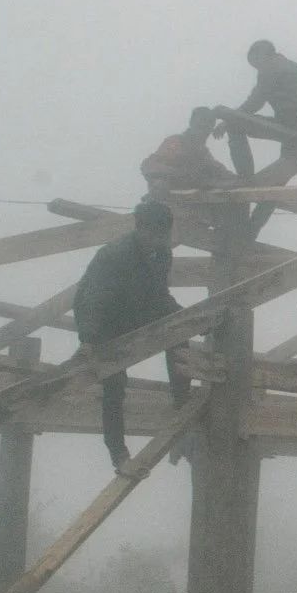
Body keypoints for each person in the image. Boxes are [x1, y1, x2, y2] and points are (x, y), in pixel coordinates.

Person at [73, 201, 192, 471]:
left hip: (134, 309)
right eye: (153, 234)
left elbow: (159, 296)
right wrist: (89, 341)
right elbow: (94, 299)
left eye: (163, 236)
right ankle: (118, 454)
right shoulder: (115, 255)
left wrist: (186, 317)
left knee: (179, 332)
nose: (158, 241)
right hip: (104, 320)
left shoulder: (162, 254)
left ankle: (181, 407)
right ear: (140, 228)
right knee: (114, 380)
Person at [225, 40, 297, 155]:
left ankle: (245, 174)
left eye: (256, 64)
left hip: (291, 123)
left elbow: (256, 101)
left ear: (261, 55)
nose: (258, 70)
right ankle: (295, 138)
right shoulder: (295, 68)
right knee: (289, 156)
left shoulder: (270, 66)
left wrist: (231, 117)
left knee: (234, 124)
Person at [140, 107, 237, 200]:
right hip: (168, 203)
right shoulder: (175, 143)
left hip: (192, 203)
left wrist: (237, 179)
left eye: (206, 129)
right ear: (191, 123)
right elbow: (148, 166)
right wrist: (180, 173)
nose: (202, 132)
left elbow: (219, 171)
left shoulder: (203, 153)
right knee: (159, 184)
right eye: (199, 127)